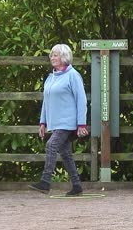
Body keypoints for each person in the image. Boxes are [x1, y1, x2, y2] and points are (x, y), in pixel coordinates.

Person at [28, 44, 88, 196]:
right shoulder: (51, 77)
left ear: (64, 57)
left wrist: (81, 124)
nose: (52, 58)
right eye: (52, 55)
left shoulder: (73, 75)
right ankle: (76, 185)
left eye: (55, 55)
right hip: (55, 122)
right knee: (65, 153)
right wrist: (43, 122)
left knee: (51, 145)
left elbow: (81, 100)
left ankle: (45, 181)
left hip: (68, 122)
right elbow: (46, 102)